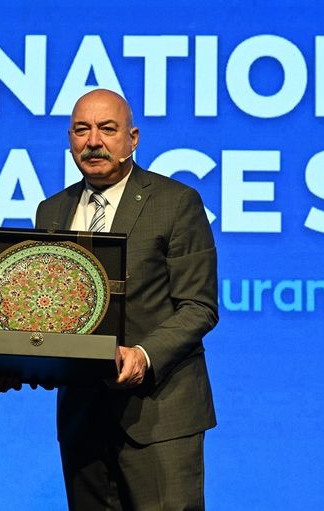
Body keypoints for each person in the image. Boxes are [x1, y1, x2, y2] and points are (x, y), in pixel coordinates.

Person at [35, 89, 219, 510]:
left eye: (107, 129)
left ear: (132, 139)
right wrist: (22, 359)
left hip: (160, 413)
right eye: (81, 130)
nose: (93, 141)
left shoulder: (175, 203)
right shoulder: (51, 211)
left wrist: (144, 355)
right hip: (82, 417)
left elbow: (199, 306)